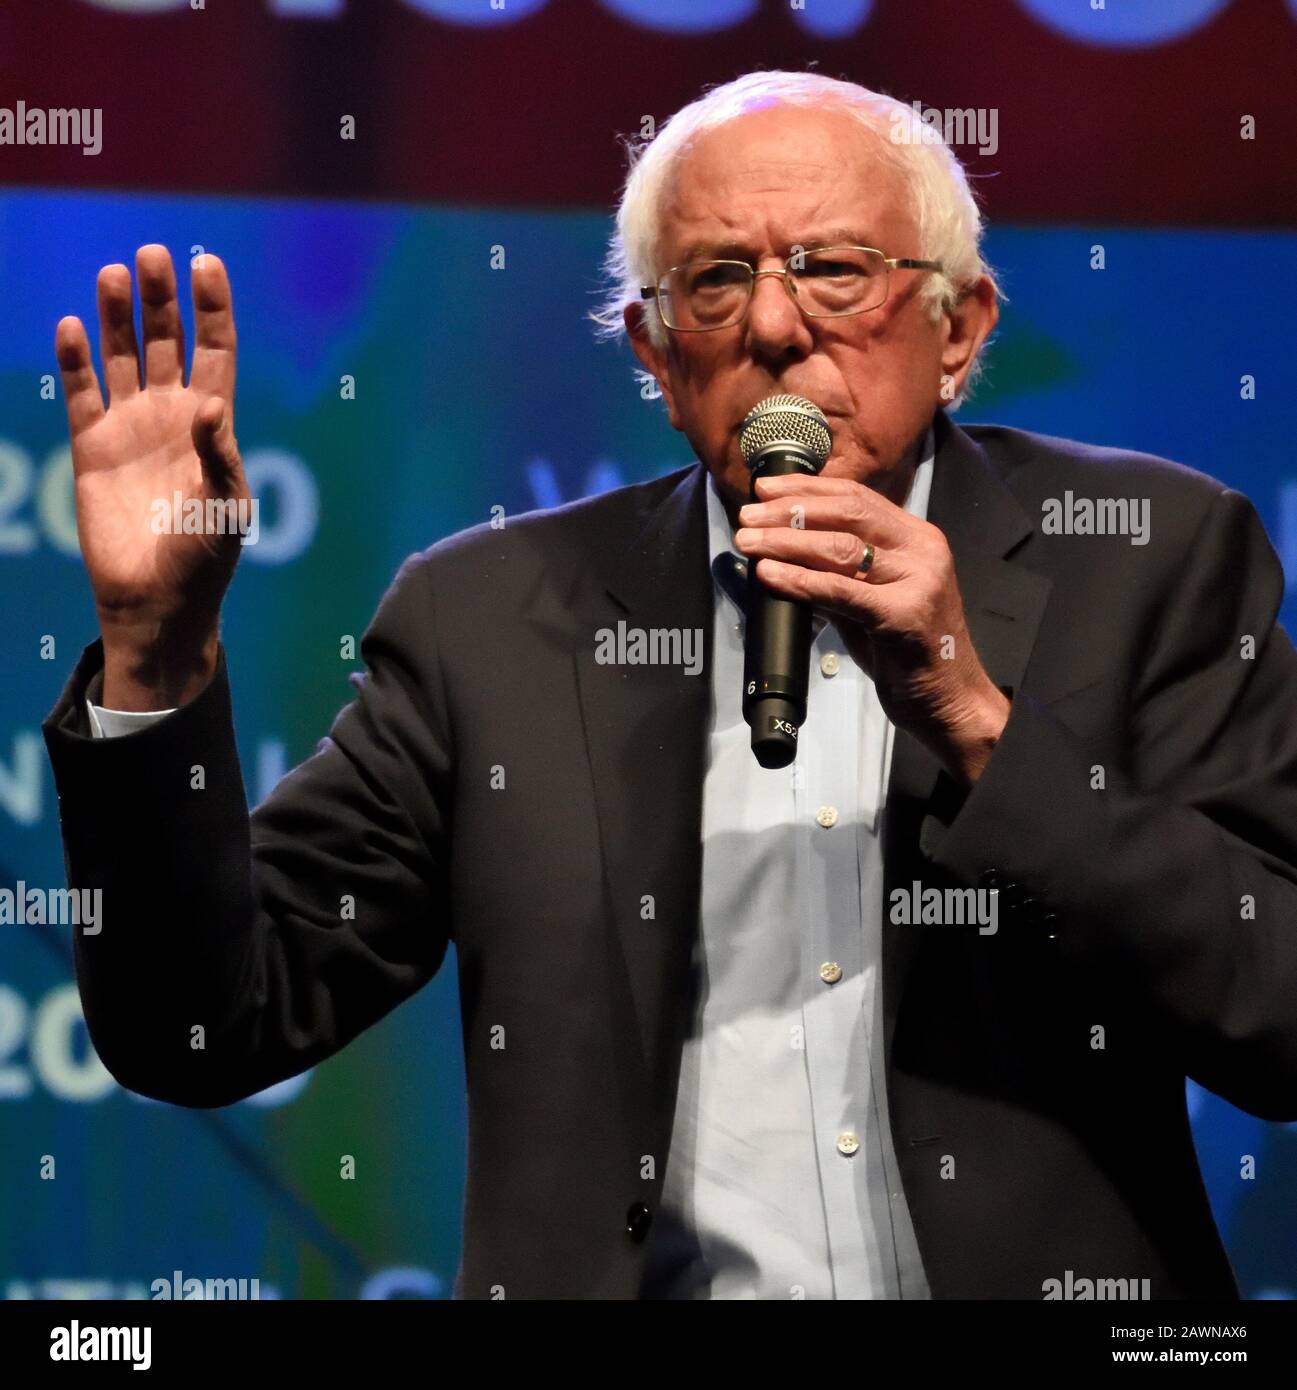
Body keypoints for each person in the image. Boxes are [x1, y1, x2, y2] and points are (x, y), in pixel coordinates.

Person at [43, 71, 1297, 1300]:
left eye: (834, 270)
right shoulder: (490, 618)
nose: (770, 326)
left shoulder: (1145, 560)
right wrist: (157, 650)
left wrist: (977, 724)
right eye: (714, 281)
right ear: (653, 350)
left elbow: (1279, 1006)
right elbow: (202, 1029)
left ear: (958, 326)